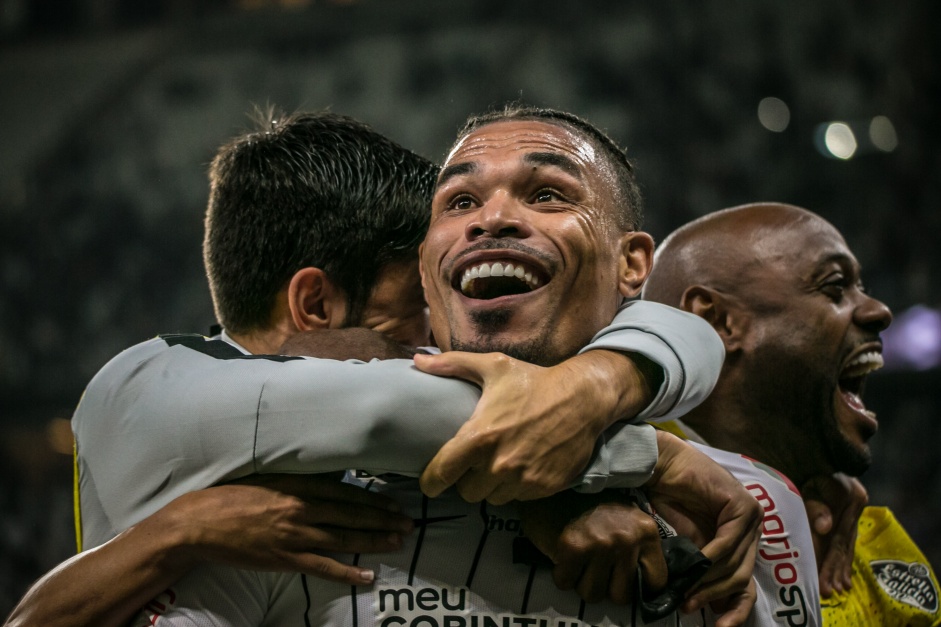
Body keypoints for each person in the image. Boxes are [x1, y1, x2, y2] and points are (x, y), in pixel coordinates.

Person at [5, 109, 758, 627]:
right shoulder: (154, 393)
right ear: (315, 305)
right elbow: (401, 412)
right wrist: (642, 451)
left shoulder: (331, 483)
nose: (430, 349)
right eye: (409, 324)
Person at [642, 202, 941, 626]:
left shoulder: (872, 549)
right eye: (836, 287)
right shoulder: (602, 506)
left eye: (862, 286)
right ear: (716, 320)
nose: (880, 311)